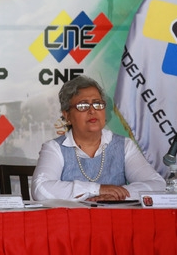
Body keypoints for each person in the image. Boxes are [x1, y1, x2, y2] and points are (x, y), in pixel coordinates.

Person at [31, 75, 165, 202]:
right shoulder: (54, 148)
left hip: (115, 217)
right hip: (72, 218)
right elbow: (40, 189)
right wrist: (98, 189)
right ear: (67, 115)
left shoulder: (124, 145)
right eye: (83, 106)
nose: (92, 111)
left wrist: (119, 194)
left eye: (97, 104)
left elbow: (157, 184)